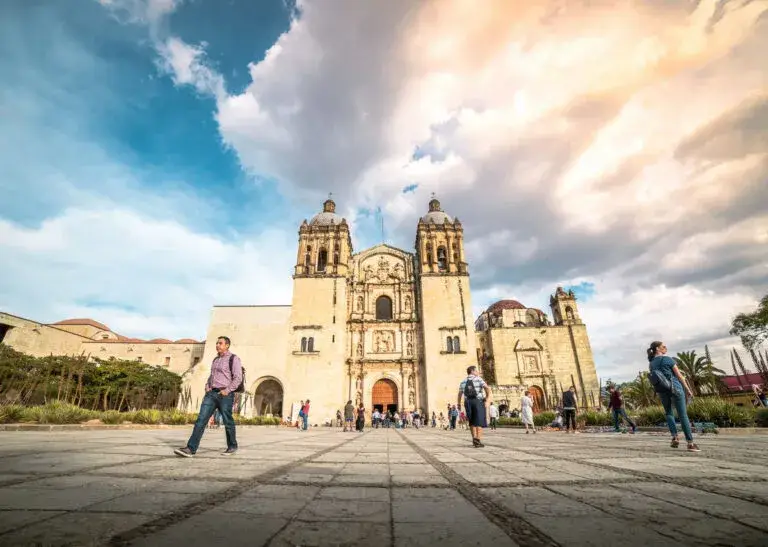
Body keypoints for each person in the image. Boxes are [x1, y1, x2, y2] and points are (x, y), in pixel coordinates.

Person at [174, 336, 242, 457]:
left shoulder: (233, 358)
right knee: (201, 420)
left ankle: (232, 446)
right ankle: (191, 449)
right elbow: (212, 376)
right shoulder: (215, 360)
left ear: (227, 345)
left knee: (228, 421)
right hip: (211, 394)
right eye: (216, 343)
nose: (217, 345)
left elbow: (238, 378)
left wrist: (227, 390)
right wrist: (207, 386)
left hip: (225, 395)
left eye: (220, 343)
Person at [648, 341, 699, 451]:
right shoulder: (668, 359)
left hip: (662, 390)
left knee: (669, 413)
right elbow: (680, 376)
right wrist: (688, 389)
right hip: (675, 388)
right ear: (657, 348)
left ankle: (674, 437)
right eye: (663, 346)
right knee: (682, 415)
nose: (665, 348)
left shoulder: (651, 363)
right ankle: (690, 443)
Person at [458, 365, 492, 448]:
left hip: (468, 402)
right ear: (472, 371)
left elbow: (460, 394)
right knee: (479, 421)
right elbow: (487, 388)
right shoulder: (478, 379)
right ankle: (478, 440)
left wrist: (458, 404)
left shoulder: (463, 381)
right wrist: (487, 399)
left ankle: (474, 439)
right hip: (478, 401)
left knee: (472, 422)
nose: (478, 372)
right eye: (476, 371)